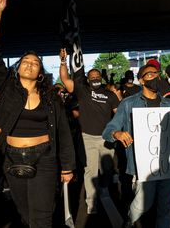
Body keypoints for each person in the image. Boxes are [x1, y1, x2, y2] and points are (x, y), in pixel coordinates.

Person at [0, 0, 76, 227]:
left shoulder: (51, 97)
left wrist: (67, 166)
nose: (29, 63)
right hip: (12, 157)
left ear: (40, 73)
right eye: (25, 61)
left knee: (41, 218)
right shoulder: (8, 89)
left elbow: (63, 132)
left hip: (44, 157)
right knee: (24, 214)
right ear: (18, 68)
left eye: (35, 63)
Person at [102, 64, 170, 228]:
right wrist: (117, 134)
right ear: (141, 80)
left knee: (165, 209)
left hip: (168, 165)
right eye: (149, 74)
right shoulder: (128, 103)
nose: (154, 77)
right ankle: (129, 222)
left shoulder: (169, 104)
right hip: (143, 166)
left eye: (156, 74)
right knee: (142, 205)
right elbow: (108, 130)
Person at [59, 48, 120, 215]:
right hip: (87, 138)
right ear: (87, 79)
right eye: (92, 77)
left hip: (107, 138)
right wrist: (63, 62)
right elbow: (65, 79)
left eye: (97, 77)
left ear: (101, 78)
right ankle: (91, 202)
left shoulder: (110, 95)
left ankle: (104, 188)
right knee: (90, 171)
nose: (95, 79)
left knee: (107, 169)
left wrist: (119, 130)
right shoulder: (82, 91)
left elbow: (118, 114)